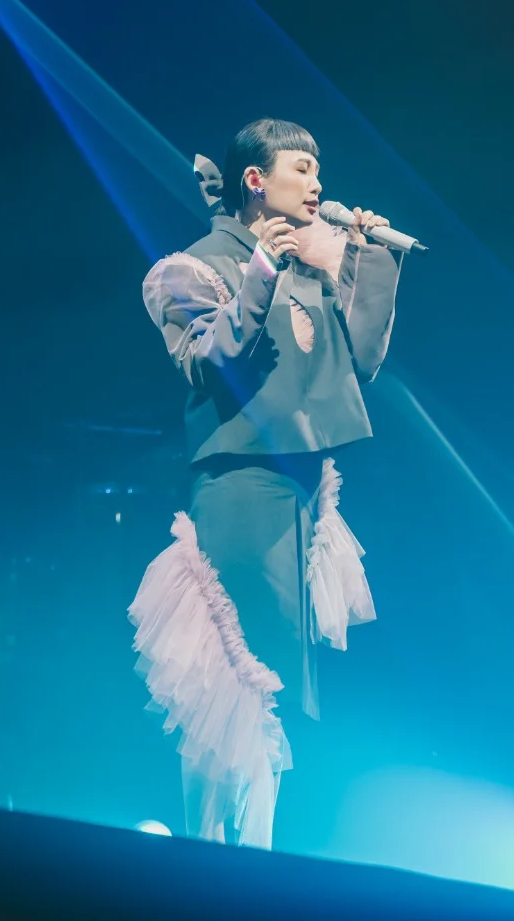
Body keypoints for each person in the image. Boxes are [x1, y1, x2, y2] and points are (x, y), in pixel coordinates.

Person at [128, 117, 404, 850]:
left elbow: (359, 362)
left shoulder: (307, 269)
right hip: (242, 487)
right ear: (256, 179)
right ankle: (211, 854)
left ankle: (258, 858)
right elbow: (210, 359)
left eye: (318, 169)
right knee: (235, 677)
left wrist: (369, 260)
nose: (317, 184)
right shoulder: (190, 269)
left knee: (279, 677)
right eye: (301, 169)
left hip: (305, 494)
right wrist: (260, 272)